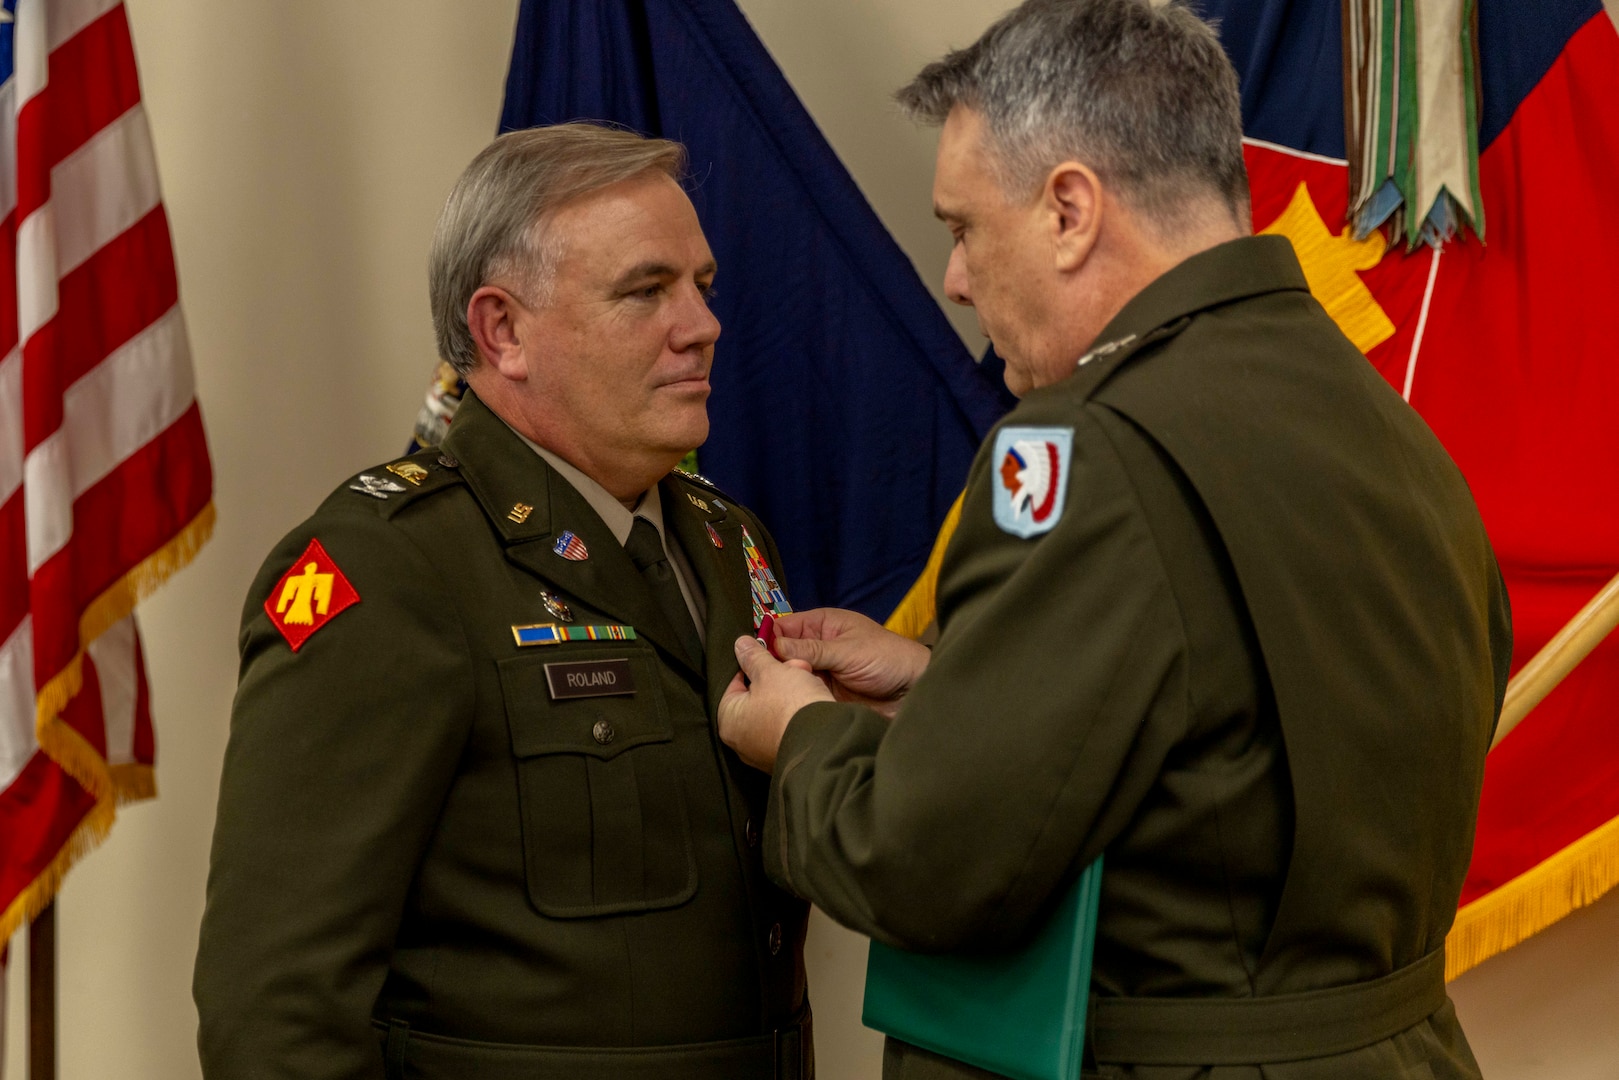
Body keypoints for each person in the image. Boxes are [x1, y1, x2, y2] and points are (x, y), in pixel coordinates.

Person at [716, 2, 1512, 1078]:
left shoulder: (1081, 452)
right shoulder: (1385, 426)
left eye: (960, 228)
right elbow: (1247, 750)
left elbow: (924, 867)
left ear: (1068, 211)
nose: (952, 278)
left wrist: (801, 737)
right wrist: (948, 689)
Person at [194, 124, 812, 1080]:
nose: (701, 325)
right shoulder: (387, 567)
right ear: (503, 331)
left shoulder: (730, 542)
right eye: (646, 291)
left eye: (702, 285)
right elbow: (276, 1006)